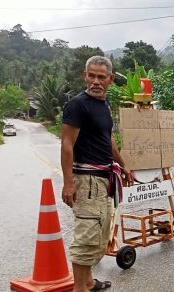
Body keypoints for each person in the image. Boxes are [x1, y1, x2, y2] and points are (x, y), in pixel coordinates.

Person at [61, 56, 133, 292]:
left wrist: (122, 164)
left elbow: (108, 138)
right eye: (91, 76)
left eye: (101, 77)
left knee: (100, 235)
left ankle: (89, 282)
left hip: (105, 179)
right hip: (87, 180)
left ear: (110, 79)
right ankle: (79, 288)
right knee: (86, 237)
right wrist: (68, 183)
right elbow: (67, 144)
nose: (95, 81)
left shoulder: (103, 105)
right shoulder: (77, 105)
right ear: (84, 76)